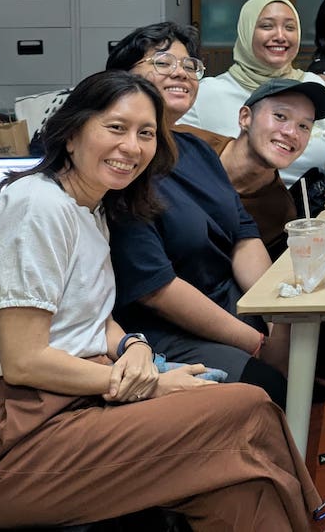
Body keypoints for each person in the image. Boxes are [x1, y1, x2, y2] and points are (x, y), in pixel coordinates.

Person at [0, 70, 322, 530]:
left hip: (77, 405)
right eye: (116, 128)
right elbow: (24, 361)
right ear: (72, 134)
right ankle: (321, 517)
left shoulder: (90, 208)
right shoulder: (37, 208)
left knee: (236, 484)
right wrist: (149, 385)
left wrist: (133, 345)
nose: (132, 147)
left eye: (145, 134)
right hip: (14, 444)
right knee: (248, 407)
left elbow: (92, 316)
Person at [103, 24, 289, 404]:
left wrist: (275, 314)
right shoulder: (125, 163)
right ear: (124, 78)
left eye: (190, 65)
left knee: (313, 340)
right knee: (267, 385)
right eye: (163, 62)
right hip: (165, 326)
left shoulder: (198, 149)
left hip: (231, 301)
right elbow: (157, 290)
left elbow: (243, 236)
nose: (181, 73)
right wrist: (257, 342)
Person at [182, 0, 325, 197]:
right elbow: (178, 159)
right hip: (232, 207)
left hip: (310, 208)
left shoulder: (312, 87)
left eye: (289, 27)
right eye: (267, 26)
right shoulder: (207, 93)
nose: (280, 36)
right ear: (246, 31)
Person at [216, 76, 325, 261]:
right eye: (280, 116)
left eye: (304, 126)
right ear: (245, 117)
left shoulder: (280, 211)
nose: (292, 133)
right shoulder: (187, 148)